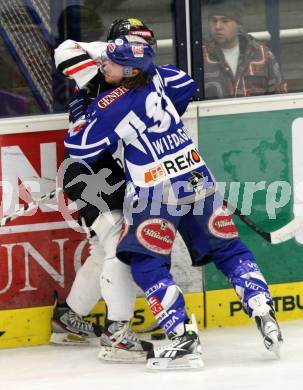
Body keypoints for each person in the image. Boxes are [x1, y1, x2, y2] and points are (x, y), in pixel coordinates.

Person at [64, 35, 283, 370]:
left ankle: (182, 337)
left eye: (112, 61)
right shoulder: (165, 76)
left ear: (130, 70)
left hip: (155, 191)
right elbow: (187, 86)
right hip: (198, 180)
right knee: (230, 250)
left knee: (145, 264)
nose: (104, 64)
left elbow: (80, 149)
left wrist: (87, 113)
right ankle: (263, 309)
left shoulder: (111, 104)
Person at [52, 18, 157, 362]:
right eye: (128, 45)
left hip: (106, 171)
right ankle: (117, 333)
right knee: (117, 248)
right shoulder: (97, 71)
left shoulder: (136, 75)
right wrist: (109, 52)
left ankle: (67, 318)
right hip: (90, 171)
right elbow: (64, 51)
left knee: (102, 251)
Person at [203, 0, 287, 99]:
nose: (218, 26)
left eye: (225, 21)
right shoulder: (200, 57)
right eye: (213, 21)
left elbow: (279, 95)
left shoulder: (261, 55)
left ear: (238, 24)